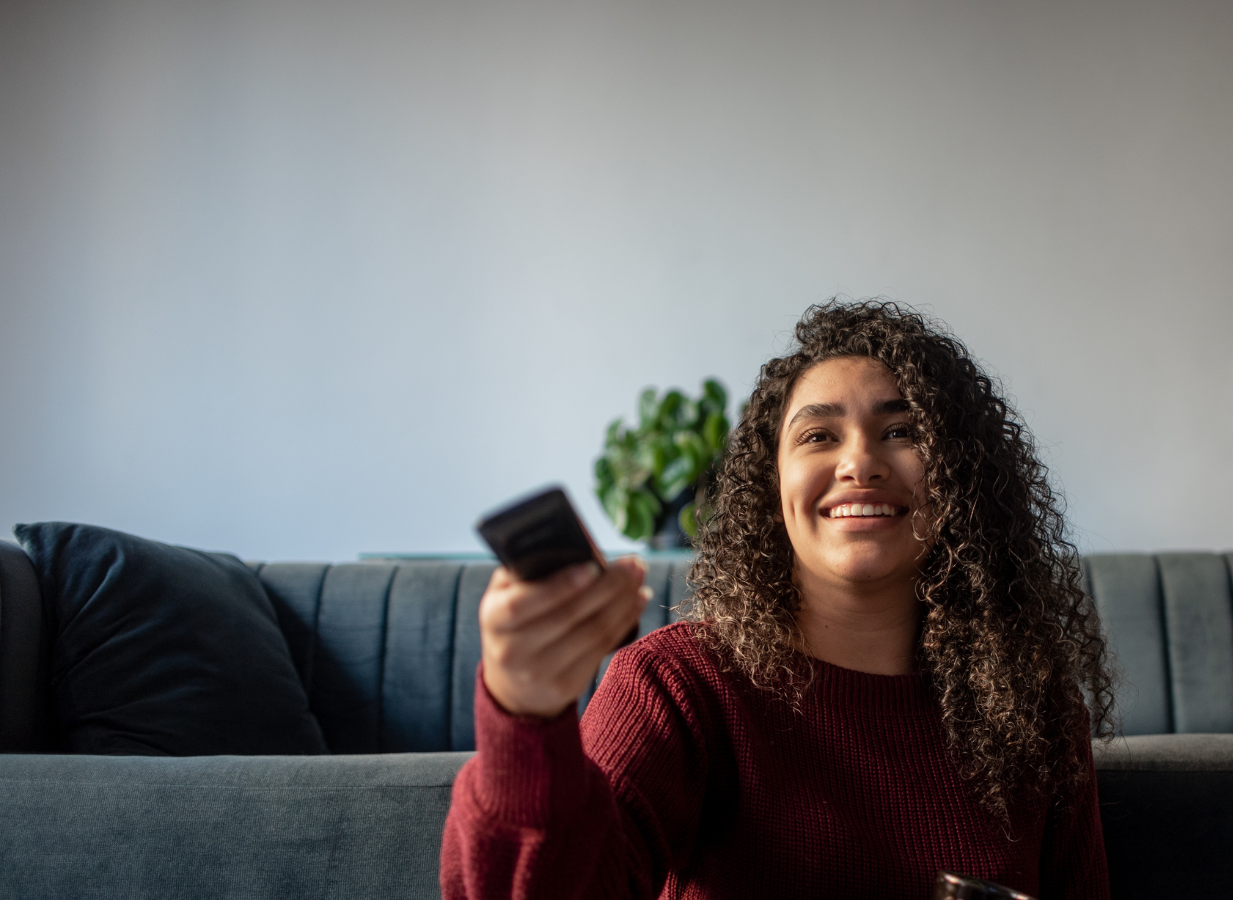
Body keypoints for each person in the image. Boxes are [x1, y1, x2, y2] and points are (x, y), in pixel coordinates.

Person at [441, 300, 1115, 899]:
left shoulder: (1036, 713)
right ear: (771, 490)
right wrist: (523, 719)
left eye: (902, 431)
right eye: (819, 435)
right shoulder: (675, 687)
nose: (860, 462)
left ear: (962, 479)